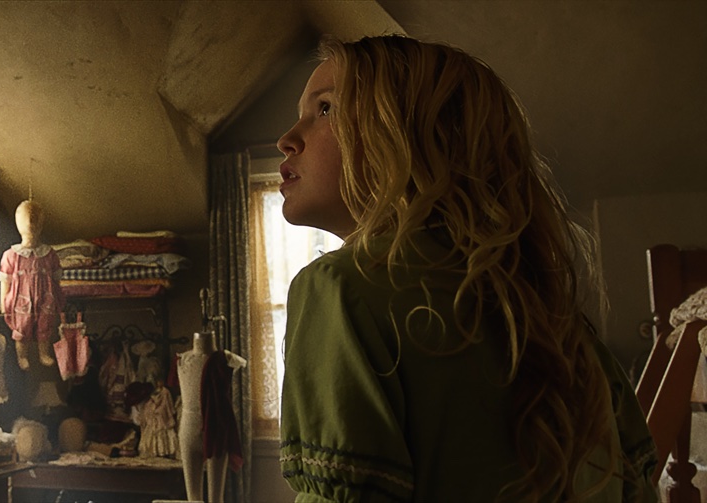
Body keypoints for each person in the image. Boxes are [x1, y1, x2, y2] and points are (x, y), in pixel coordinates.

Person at [276, 35, 657, 502]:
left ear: (410, 136)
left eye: (326, 109)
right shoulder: (559, 322)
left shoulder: (340, 289)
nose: (287, 139)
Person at [177, 330, 245, 503]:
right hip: (188, 430)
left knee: (216, 498)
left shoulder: (226, 360)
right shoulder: (181, 360)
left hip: (216, 429)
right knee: (193, 498)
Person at [0, 200, 64, 370]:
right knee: (22, 326)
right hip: (21, 298)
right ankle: (22, 355)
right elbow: (5, 280)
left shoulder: (49, 254)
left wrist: (58, 297)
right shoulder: (11, 255)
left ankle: (43, 353)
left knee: (45, 323)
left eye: (35, 221)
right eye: (28, 221)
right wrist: (2, 302)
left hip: (45, 295)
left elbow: (56, 279)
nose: (32, 225)